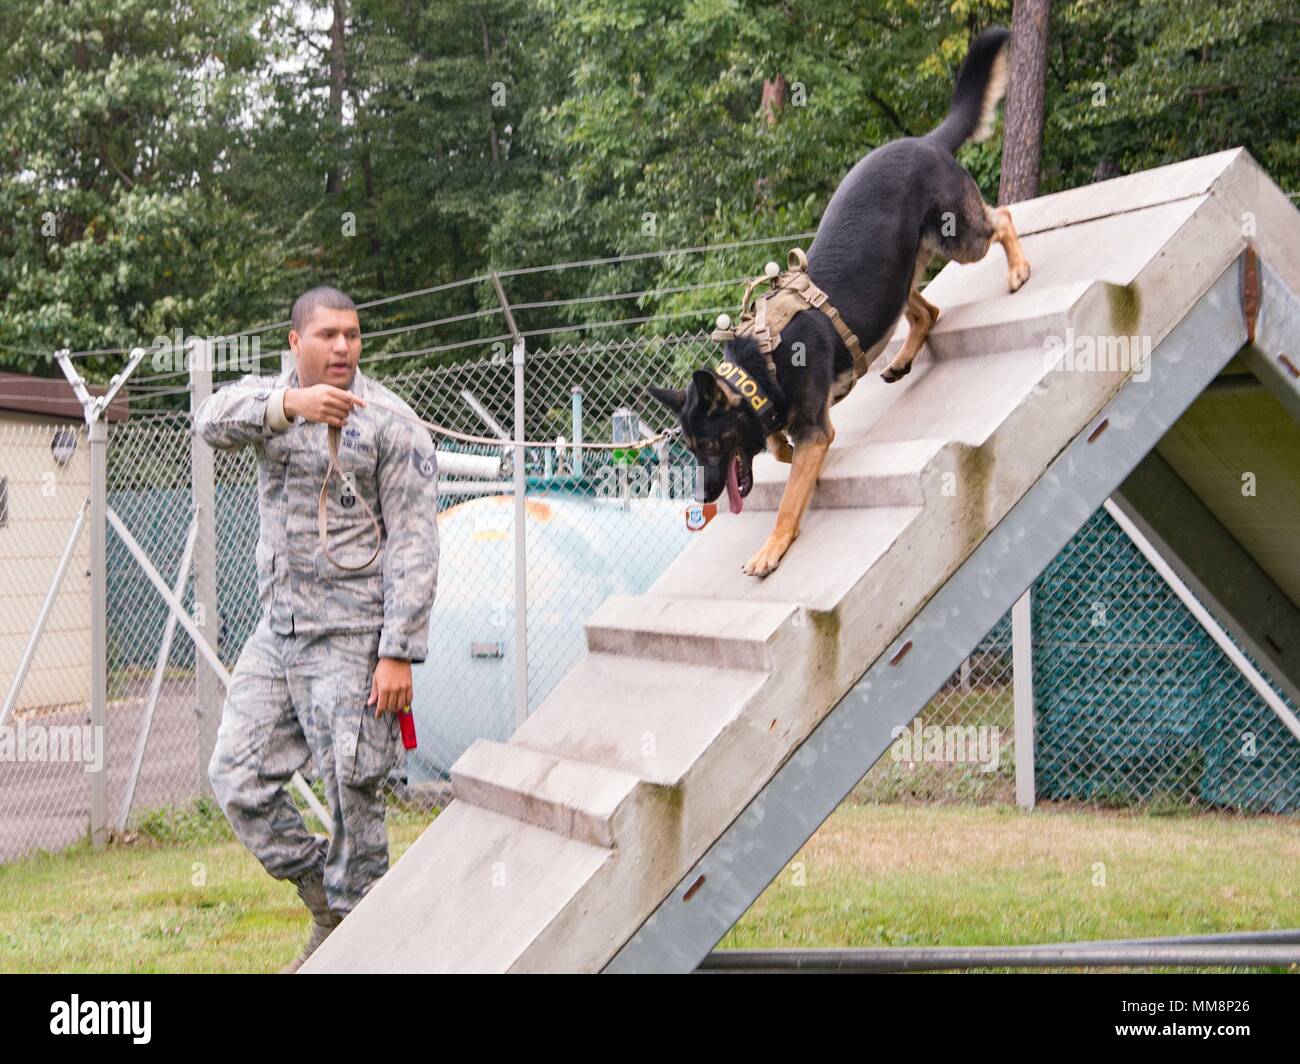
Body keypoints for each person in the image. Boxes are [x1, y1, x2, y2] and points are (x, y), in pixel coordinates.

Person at [195, 285, 439, 972]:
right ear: (296, 343)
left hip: (356, 636)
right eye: (327, 335)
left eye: (353, 335)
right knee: (236, 777)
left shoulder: (391, 420)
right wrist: (288, 408)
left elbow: (417, 544)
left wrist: (398, 651)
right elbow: (209, 420)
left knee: (352, 791)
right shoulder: (270, 403)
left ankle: (369, 943)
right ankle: (327, 907)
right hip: (280, 634)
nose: (341, 347)